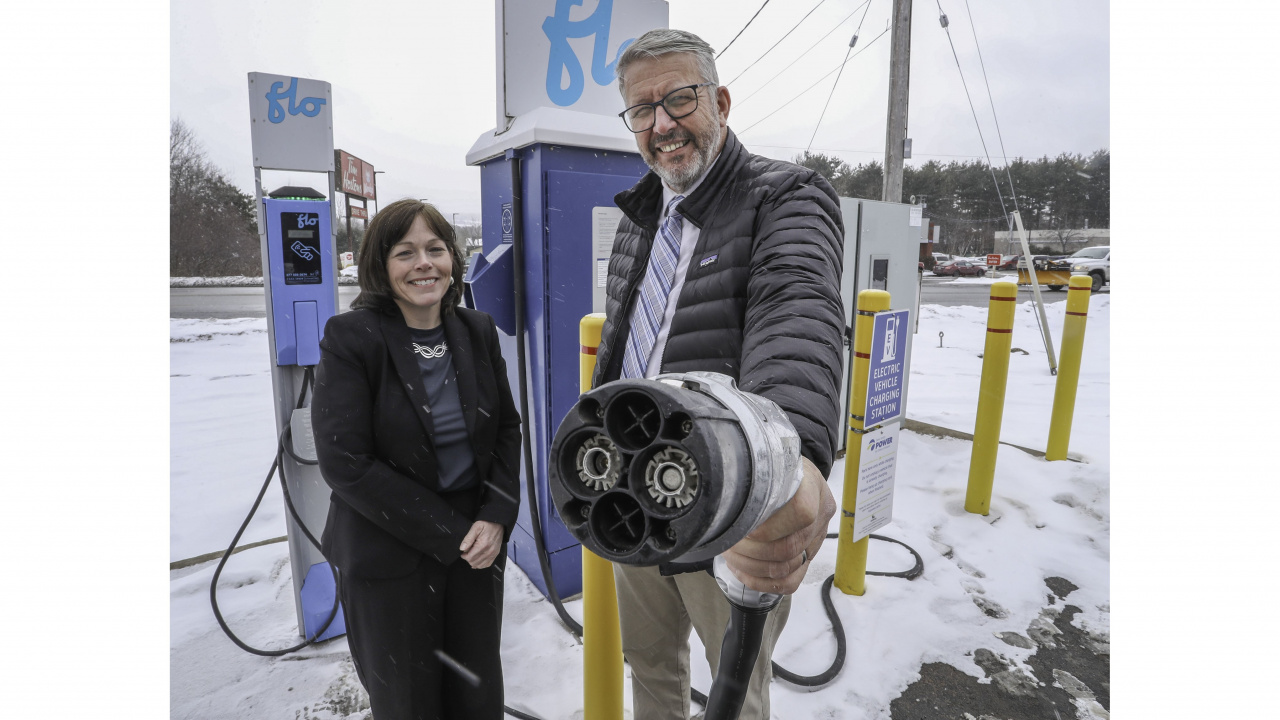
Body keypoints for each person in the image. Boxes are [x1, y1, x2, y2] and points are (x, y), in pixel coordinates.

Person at [593, 29, 844, 720]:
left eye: (679, 99)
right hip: (636, 484)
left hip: (733, 503)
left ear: (721, 101)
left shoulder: (785, 196)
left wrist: (789, 466)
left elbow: (797, 313)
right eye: (642, 111)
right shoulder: (639, 218)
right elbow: (624, 348)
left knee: (735, 693)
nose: (662, 124)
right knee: (648, 665)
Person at [311, 199, 521, 719]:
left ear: (453, 258)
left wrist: (494, 517)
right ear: (381, 266)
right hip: (390, 560)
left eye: (435, 249)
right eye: (405, 253)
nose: (424, 263)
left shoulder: (477, 330)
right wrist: (454, 533)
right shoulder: (352, 338)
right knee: (409, 705)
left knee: (476, 699)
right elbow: (345, 461)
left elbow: (508, 431)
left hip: (475, 555)